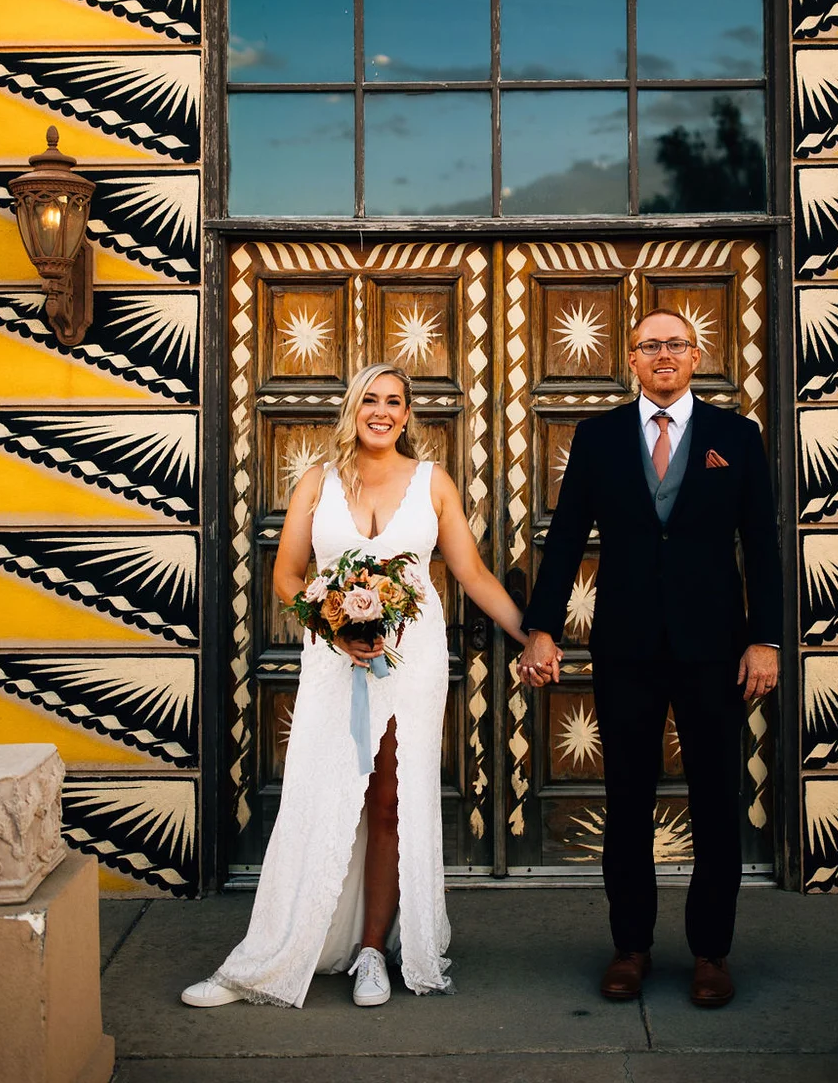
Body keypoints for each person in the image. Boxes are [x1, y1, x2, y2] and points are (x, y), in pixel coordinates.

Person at [182, 363, 528, 1010]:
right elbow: (286, 576)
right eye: (370, 398)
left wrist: (531, 633)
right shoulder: (317, 482)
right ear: (353, 407)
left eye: (394, 401)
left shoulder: (433, 484)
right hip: (333, 660)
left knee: (392, 801)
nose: (382, 410)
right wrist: (331, 624)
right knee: (316, 794)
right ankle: (266, 958)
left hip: (412, 662)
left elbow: (472, 573)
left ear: (407, 415)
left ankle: (373, 952)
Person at [519, 308, 782, 1009]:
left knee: (714, 801)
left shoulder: (736, 436)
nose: (663, 355)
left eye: (675, 344)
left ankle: (710, 953)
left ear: (697, 356)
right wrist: (542, 627)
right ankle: (630, 946)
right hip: (626, 647)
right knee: (626, 799)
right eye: (649, 346)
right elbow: (568, 534)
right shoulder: (599, 437)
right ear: (630, 360)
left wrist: (767, 638)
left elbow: (761, 543)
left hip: (714, 650)